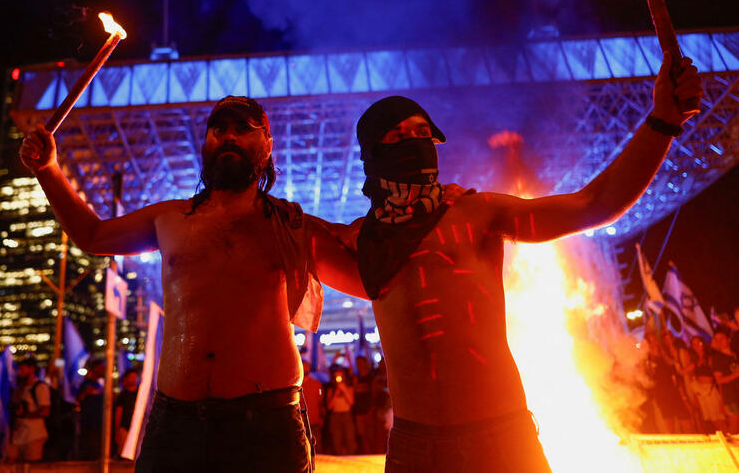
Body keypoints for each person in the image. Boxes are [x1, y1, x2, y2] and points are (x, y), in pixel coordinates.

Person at [325, 52, 701, 470]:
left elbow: (594, 204)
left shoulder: (475, 213)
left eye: (422, 134)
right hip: (417, 448)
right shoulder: (365, 240)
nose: (415, 143)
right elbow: (289, 233)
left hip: (502, 437)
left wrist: (663, 122)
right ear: (373, 153)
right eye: (398, 136)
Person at [19, 95, 382, 472]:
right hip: (176, 427)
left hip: (266, 429)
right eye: (219, 129)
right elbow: (93, 236)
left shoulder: (292, 226)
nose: (229, 137)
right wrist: (48, 169)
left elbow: (370, 284)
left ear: (268, 146)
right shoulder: (170, 218)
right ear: (205, 143)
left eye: (243, 129)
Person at [711, 330, 739, 433]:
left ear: (729, 340)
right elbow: (719, 380)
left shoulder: (738, 354)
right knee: (734, 428)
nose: (719, 341)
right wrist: (737, 374)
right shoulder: (717, 358)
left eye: (721, 338)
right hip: (732, 397)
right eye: (716, 339)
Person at [7, 358, 50, 463]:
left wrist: (26, 415)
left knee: (31, 465)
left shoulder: (40, 387)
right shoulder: (20, 388)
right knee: (10, 464)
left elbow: (45, 411)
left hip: (33, 435)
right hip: (18, 434)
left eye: (22, 369)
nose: (20, 372)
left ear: (31, 369)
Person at [75, 360, 104, 461]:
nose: (103, 370)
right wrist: (86, 393)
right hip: (89, 423)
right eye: (101, 368)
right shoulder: (87, 384)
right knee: (91, 450)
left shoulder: (99, 385)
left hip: (99, 422)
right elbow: (78, 399)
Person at [325, 366, 357, 455]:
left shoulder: (349, 387)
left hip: (347, 415)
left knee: (350, 438)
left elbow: (351, 402)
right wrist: (335, 394)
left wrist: (344, 389)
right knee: (337, 440)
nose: (338, 378)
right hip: (335, 416)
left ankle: (351, 457)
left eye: (340, 376)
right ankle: (339, 458)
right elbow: (329, 407)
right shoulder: (331, 390)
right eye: (336, 376)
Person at [300, 361, 324, 453]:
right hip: (302, 421)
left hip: (315, 420)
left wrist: (322, 417)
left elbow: (321, 400)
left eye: (307, 366)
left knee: (317, 444)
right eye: (303, 366)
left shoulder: (317, 385)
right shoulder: (297, 386)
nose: (306, 368)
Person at [113, 370, 139, 456]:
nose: (133, 379)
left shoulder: (139, 394)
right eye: (131, 377)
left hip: (137, 427)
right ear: (126, 379)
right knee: (123, 452)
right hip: (125, 427)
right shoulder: (123, 395)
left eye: (135, 377)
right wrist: (117, 429)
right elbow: (119, 412)